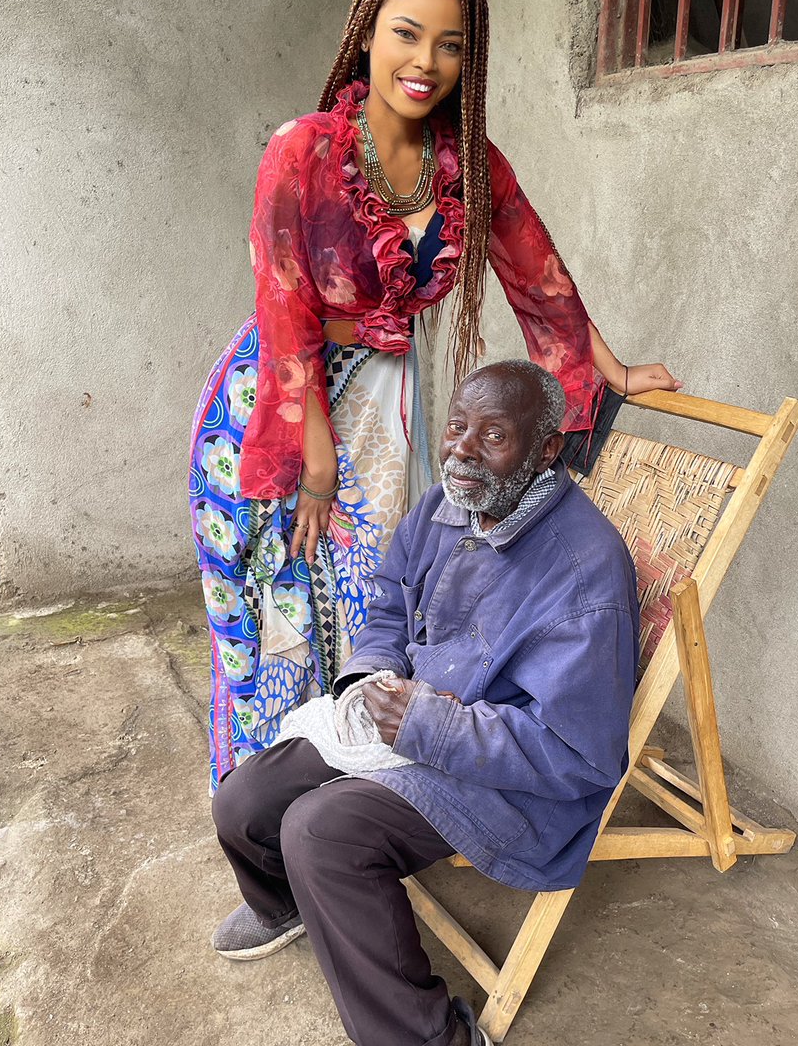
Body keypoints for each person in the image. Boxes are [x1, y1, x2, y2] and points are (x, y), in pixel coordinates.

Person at [189, 0, 678, 792]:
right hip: (281, 401)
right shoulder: (301, 149)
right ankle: (261, 812)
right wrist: (314, 459)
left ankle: (339, 801)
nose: (425, 62)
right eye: (406, 34)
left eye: (449, 45)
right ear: (366, 32)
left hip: (393, 407)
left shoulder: (470, 167)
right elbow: (283, 305)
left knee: (370, 597)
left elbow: (539, 277)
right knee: (282, 597)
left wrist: (614, 371)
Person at [211, 361, 641, 1046]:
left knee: (321, 833)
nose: (463, 450)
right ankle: (287, 904)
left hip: (505, 782)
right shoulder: (450, 500)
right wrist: (371, 675)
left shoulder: (583, 576)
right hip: (407, 721)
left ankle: (426, 1038)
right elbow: (386, 600)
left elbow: (575, 758)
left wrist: (431, 725)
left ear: (546, 449)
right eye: (457, 427)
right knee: (245, 799)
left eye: (494, 434)